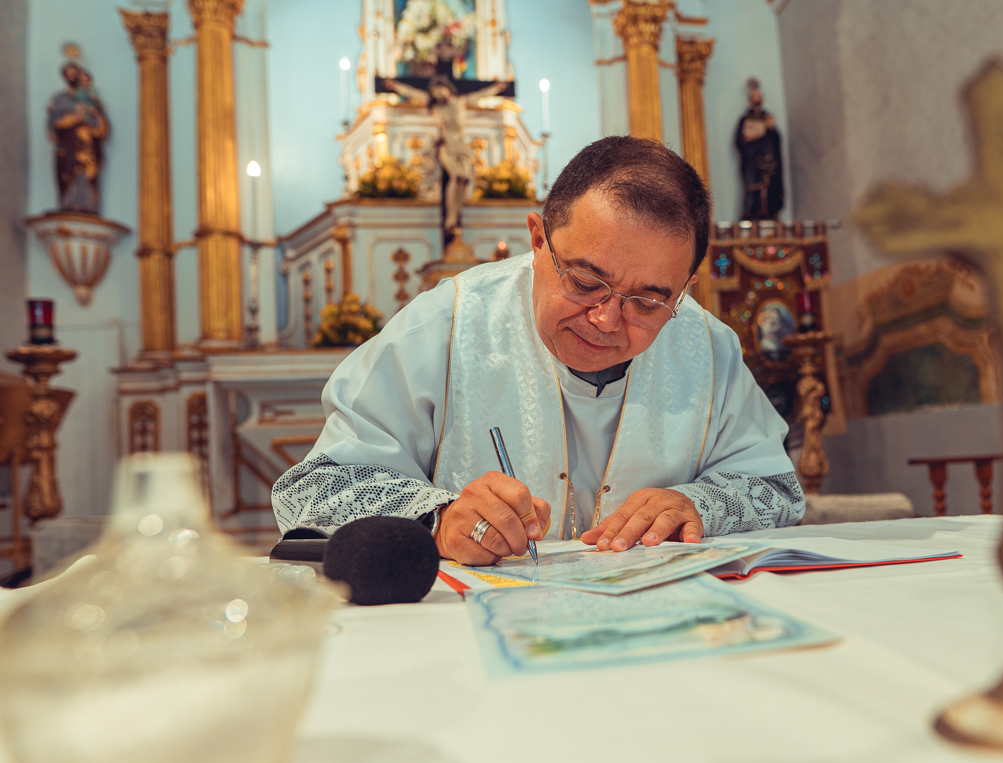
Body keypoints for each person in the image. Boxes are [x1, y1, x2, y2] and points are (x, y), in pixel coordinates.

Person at [272, 136, 805, 566]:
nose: (606, 320)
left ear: (684, 288)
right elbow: (313, 488)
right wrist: (439, 519)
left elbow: (778, 489)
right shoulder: (447, 324)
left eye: (647, 301)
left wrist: (698, 504)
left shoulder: (708, 346)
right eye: (585, 281)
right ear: (537, 239)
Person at [383, 75, 507, 234]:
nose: (438, 95)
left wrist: (496, 88)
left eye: (440, 91)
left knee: (465, 179)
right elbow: (413, 93)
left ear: (447, 88)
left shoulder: (461, 102)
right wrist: (395, 86)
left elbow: (480, 95)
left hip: (460, 146)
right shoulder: (437, 106)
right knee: (455, 177)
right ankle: (450, 218)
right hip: (445, 146)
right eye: (435, 93)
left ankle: (457, 213)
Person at [48, 62, 109, 213]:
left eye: (75, 73)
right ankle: (67, 204)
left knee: (87, 175)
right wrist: (74, 118)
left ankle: (88, 206)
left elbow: (103, 128)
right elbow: (53, 126)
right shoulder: (59, 99)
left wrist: (95, 115)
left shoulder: (92, 99)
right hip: (68, 145)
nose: (73, 77)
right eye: (69, 74)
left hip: (88, 145)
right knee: (67, 173)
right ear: (64, 77)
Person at [736, 77, 784, 221]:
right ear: (750, 99)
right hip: (753, 162)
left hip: (768, 162)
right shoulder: (745, 119)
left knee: (769, 189)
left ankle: (769, 213)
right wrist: (758, 132)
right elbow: (740, 140)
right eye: (755, 97)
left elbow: (776, 139)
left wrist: (771, 129)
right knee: (754, 190)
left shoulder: (767, 117)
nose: (758, 99)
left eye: (760, 97)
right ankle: (752, 214)